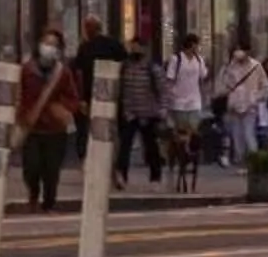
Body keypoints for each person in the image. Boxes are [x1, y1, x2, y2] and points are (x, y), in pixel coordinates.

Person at [17, 27, 84, 212]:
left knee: (51, 170)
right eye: (46, 43)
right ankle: (33, 193)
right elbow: (18, 95)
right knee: (31, 166)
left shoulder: (63, 73)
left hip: (55, 130)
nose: (49, 48)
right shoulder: (26, 70)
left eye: (54, 45)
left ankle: (48, 203)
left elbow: (73, 98)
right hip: (32, 127)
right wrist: (21, 115)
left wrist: (61, 107)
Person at [114, 27, 164, 189]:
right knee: (125, 146)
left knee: (151, 147)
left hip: (148, 114)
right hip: (130, 113)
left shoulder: (152, 68)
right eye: (132, 47)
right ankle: (122, 175)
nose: (134, 50)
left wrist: (161, 110)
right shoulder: (125, 67)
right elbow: (121, 90)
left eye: (138, 47)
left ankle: (155, 177)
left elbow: (162, 90)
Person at [72, 17, 126, 166]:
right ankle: (110, 161)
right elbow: (124, 66)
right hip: (110, 94)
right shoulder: (113, 45)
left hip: (93, 94)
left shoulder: (85, 47)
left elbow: (79, 73)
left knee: (90, 128)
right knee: (110, 129)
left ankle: (91, 159)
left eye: (87, 28)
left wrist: (81, 97)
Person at [160, 33, 211, 182]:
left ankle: (188, 155)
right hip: (179, 101)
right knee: (181, 133)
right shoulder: (177, 59)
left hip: (194, 100)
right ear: (191, 44)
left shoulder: (199, 60)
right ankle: (177, 156)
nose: (197, 47)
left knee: (193, 131)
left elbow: (203, 78)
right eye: (196, 44)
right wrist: (169, 98)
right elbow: (169, 80)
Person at [218, 37, 268, 167]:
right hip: (234, 106)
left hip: (249, 106)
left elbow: (265, 87)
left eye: (240, 50)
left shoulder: (256, 66)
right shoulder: (231, 66)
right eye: (236, 50)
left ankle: (253, 163)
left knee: (249, 135)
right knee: (237, 137)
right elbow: (224, 84)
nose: (238, 53)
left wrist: (255, 98)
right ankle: (241, 161)